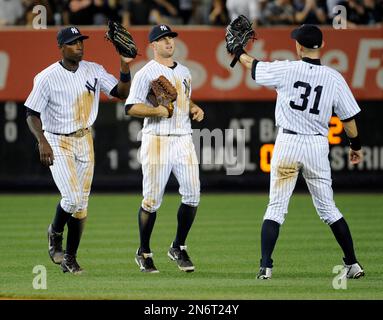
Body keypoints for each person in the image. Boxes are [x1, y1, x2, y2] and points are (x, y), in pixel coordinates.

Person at [227, 24, 365, 279]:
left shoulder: (288, 69)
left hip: (288, 144)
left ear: (299, 46)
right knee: (329, 210)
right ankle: (353, 264)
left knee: (276, 208)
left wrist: (238, 51)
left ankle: (265, 267)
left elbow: (254, 67)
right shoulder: (334, 78)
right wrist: (355, 147)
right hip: (316, 145)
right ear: (321, 46)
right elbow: (348, 120)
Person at [25, 26, 134, 274]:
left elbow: (121, 93)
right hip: (57, 140)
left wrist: (125, 65)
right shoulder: (47, 77)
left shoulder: (93, 69)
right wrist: (41, 140)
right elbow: (31, 114)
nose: (80, 46)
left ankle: (70, 259)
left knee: (82, 206)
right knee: (72, 199)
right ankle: (54, 232)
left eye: (81, 41)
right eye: (73, 42)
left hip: (85, 139)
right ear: (61, 48)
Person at [125, 24, 204, 273]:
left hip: (183, 137)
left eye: (170, 37)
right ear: (153, 45)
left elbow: (183, 97)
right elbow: (130, 107)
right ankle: (144, 251)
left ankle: (178, 246)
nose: (169, 42)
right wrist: (156, 110)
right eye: (162, 38)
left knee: (193, 195)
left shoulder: (185, 72)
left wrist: (193, 107)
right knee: (151, 201)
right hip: (157, 139)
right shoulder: (145, 73)